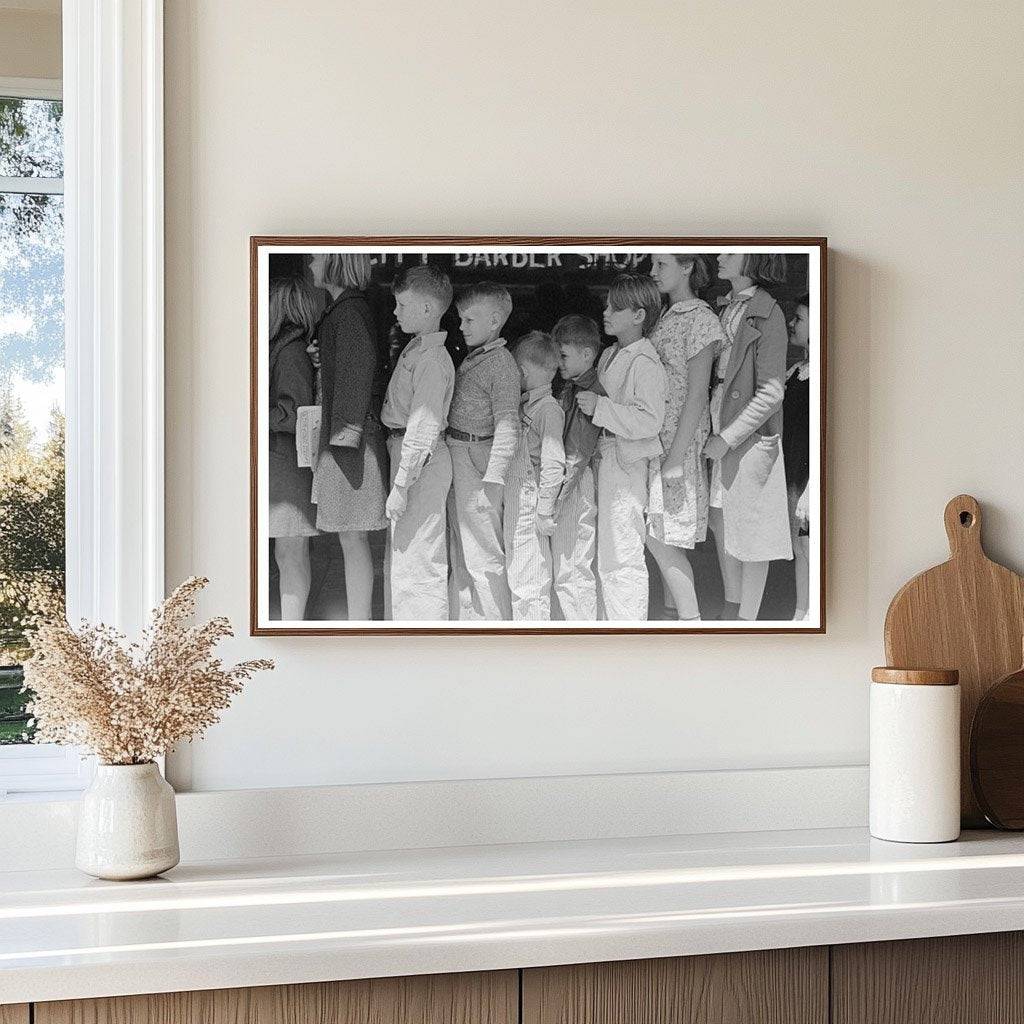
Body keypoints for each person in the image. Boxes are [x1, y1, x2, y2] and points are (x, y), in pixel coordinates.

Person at [705, 253, 793, 622]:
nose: (721, 257)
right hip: (717, 424)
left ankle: (746, 619)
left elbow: (771, 393)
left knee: (753, 533)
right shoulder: (724, 308)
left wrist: (728, 437)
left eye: (731, 252)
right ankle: (732, 605)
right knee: (720, 520)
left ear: (753, 259)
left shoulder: (766, 311)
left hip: (749, 436)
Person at [577, 275, 667, 621]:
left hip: (626, 462)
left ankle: (628, 631)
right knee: (605, 550)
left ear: (638, 315)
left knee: (623, 552)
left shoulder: (644, 362)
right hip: (606, 457)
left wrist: (600, 409)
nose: (606, 312)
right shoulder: (612, 353)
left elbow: (650, 420)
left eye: (615, 307)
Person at [309, 253, 388, 621]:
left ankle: (360, 623)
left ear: (335, 263)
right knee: (351, 536)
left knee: (353, 536)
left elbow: (357, 375)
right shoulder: (345, 311)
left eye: (316, 255)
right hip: (349, 440)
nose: (310, 260)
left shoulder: (349, 312)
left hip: (350, 444)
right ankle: (361, 620)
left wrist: (344, 438)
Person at [647, 253, 724, 621]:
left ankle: (691, 622)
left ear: (687, 266)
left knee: (663, 538)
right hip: (656, 438)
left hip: (679, 440)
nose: (653, 272)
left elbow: (697, 394)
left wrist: (676, 458)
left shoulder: (701, 320)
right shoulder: (664, 317)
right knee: (658, 533)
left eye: (661, 265)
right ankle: (671, 619)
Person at [381, 264, 456, 620]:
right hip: (407, 455)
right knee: (405, 555)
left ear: (427, 309)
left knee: (420, 558)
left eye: (403, 305)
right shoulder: (417, 349)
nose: (396, 312)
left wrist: (400, 485)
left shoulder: (431, 360)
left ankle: (425, 639)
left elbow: (422, 429)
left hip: (419, 462)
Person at [446, 281, 521, 620]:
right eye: (461, 320)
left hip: (478, 463)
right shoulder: (480, 356)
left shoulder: (502, 363)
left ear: (494, 321)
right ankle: (470, 623)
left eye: (469, 320)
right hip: (463, 455)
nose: (461, 327)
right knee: (464, 549)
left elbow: (508, 423)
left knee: (483, 552)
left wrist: (494, 476)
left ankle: (496, 627)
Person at [268, 276, 323, 620]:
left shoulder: (289, 351)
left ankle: (292, 627)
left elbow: (295, 411)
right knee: (288, 553)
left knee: (290, 553)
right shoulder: (289, 347)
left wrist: (256, 411)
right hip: (285, 463)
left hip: (287, 465)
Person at [503, 331, 566, 620]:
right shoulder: (526, 404)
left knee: (531, 576)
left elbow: (554, 463)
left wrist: (543, 510)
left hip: (531, 500)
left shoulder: (549, 409)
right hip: (517, 498)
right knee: (518, 570)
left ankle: (535, 645)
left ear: (522, 371)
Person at [551, 314, 603, 620]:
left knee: (574, 565)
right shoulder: (571, 386)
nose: (559, 362)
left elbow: (579, 452)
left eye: (564, 355)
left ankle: (582, 637)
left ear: (587, 354)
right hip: (569, 481)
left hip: (575, 483)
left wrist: (558, 495)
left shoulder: (589, 393)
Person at [784, 295, 812, 620]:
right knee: (798, 547)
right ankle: (800, 611)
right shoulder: (794, 373)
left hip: (807, 478)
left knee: (808, 545)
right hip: (791, 473)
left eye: (800, 318)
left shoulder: (819, 377)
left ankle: (807, 612)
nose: (793, 323)